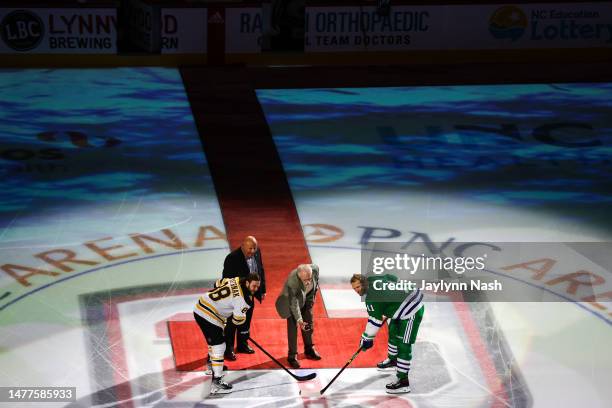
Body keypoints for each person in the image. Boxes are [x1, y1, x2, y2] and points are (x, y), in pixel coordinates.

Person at [350, 273, 424, 394]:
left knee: (404, 345)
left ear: (363, 283)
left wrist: (366, 339)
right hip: (405, 300)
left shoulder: (371, 298)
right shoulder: (373, 278)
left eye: (358, 287)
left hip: (412, 310)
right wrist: (394, 296)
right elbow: (391, 277)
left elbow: (375, 321)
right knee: (393, 331)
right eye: (354, 288)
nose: (356, 291)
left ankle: (403, 381)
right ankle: (393, 359)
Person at [193, 273, 261, 394]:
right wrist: (243, 332)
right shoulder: (244, 300)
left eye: (257, 286)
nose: (255, 289)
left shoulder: (236, 279)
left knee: (214, 341)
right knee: (219, 346)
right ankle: (217, 379)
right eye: (254, 286)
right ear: (247, 283)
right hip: (209, 315)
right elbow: (237, 321)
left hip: (201, 304)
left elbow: (217, 283)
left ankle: (211, 365)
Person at [222, 236, 266, 360]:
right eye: (250, 248)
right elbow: (227, 280)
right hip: (236, 297)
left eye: (254, 248)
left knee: (246, 322)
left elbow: (260, 270)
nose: (252, 251)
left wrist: (262, 289)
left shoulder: (257, 253)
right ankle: (228, 349)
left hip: (251, 295)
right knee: (232, 323)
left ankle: (242, 344)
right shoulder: (232, 258)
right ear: (242, 246)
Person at [275, 263, 322, 368]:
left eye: (310, 278)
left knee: (309, 323)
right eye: (305, 280)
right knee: (293, 328)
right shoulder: (293, 283)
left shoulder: (314, 269)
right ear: (299, 276)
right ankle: (292, 356)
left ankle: (309, 349)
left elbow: (316, 280)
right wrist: (300, 320)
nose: (308, 281)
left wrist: (312, 297)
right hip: (290, 302)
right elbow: (294, 305)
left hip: (307, 298)